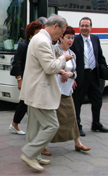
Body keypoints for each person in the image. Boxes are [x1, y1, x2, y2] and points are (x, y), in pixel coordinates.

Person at [19, 14, 72, 171]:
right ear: (55, 26)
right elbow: (50, 68)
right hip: (40, 92)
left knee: (34, 126)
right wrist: (63, 58)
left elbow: (44, 66)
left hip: (35, 90)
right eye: (61, 32)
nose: (61, 36)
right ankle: (29, 154)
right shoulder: (42, 40)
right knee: (52, 125)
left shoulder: (40, 39)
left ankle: (33, 155)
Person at [49, 26, 91, 152]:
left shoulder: (72, 54)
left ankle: (78, 143)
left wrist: (71, 75)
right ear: (61, 37)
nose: (70, 40)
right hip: (54, 91)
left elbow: (75, 72)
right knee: (51, 120)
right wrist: (62, 72)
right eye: (68, 37)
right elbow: (49, 66)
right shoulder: (54, 50)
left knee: (72, 116)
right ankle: (41, 146)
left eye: (72, 38)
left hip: (67, 91)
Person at [70, 17, 108, 136]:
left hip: (94, 75)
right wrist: (73, 77)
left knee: (97, 100)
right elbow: (71, 60)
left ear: (91, 27)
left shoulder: (95, 38)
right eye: (82, 26)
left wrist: (104, 68)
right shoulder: (75, 40)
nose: (84, 28)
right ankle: (78, 126)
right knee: (78, 102)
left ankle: (96, 123)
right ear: (79, 27)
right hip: (81, 76)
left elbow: (99, 56)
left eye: (86, 26)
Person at [9, 21, 43, 135]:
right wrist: (20, 80)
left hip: (35, 78)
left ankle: (16, 124)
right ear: (30, 34)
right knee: (25, 102)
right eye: (37, 32)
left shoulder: (39, 44)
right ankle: (15, 124)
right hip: (26, 78)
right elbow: (17, 63)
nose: (39, 35)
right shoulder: (24, 45)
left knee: (27, 103)